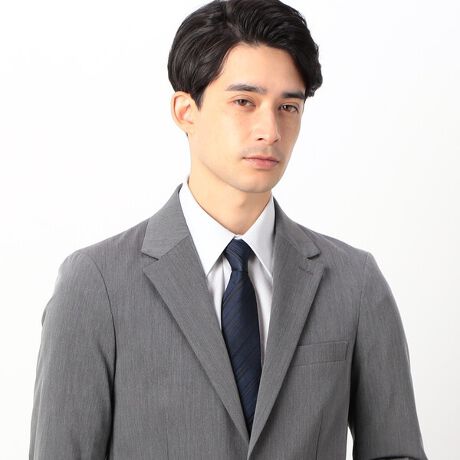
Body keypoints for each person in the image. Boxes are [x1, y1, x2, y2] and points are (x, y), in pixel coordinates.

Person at [29, 0, 428, 458]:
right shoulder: (95, 284)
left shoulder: (355, 283)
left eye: (288, 107)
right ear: (186, 111)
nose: (270, 130)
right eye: (244, 102)